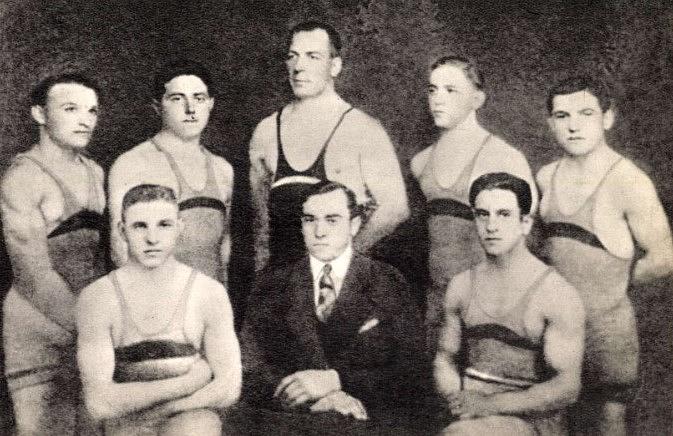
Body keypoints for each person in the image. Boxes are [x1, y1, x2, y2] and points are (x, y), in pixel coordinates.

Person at [537, 76, 673, 435]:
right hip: (555, 329)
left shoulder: (628, 180)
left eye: (585, 113)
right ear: (551, 123)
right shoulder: (545, 177)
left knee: (606, 419)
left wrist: (612, 285)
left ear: (607, 118)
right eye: (562, 116)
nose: (573, 125)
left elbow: (665, 257)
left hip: (606, 331)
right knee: (550, 416)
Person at [240, 181, 429, 426]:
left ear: (355, 224)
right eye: (310, 220)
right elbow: (251, 368)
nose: (319, 232)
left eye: (332, 220)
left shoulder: (388, 281)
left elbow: (413, 370)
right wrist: (313, 400)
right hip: (295, 422)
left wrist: (338, 381)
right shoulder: (271, 285)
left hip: (368, 422)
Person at [77, 184, 241, 435]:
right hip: (127, 425)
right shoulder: (98, 297)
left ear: (179, 227)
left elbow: (229, 387)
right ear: (122, 231)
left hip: (189, 418)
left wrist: (167, 410)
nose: (152, 239)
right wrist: (188, 382)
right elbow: (100, 403)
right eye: (140, 226)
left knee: (197, 427)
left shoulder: (208, 292)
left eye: (164, 225)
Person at [249, 21, 408, 271]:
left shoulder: (362, 129)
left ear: (334, 66)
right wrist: (265, 281)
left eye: (313, 56)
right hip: (283, 283)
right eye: (293, 56)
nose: (298, 67)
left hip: (338, 281)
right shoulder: (266, 131)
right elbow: (261, 226)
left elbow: (395, 209)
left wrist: (339, 263)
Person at [435, 172, 585, 435]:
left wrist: (489, 405)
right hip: (470, 417)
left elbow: (567, 387)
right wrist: (457, 402)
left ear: (525, 223)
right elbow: (445, 359)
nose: (491, 226)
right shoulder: (461, 285)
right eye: (483, 214)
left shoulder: (556, 294)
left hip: (533, 422)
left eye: (504, 214)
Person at [1, 73, 106, 435]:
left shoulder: (95, 172)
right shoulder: (22, 178)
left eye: (92, 110)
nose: (85, 120)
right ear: (39, 114)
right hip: (38, 328)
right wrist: (93, 331)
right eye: (71, 109)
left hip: (86, 327)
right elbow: (34, 276)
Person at [410, 56, 537, 354]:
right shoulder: (420, 162)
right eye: (433, 89)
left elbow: (524, 234)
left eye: (451, 90)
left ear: (477, 99)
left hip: (490, 300)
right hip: (438, 300)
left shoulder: (503, 157)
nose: (438, 99)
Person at [109, 60, 233, 285]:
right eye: (177, 99)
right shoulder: (132, 163)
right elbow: (120, 250)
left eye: (199, 98)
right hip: (156, 299)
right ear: (158, 106)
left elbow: (223, 250)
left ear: (211, 104)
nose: (190, 109)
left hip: (208, 298)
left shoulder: (222, 169)